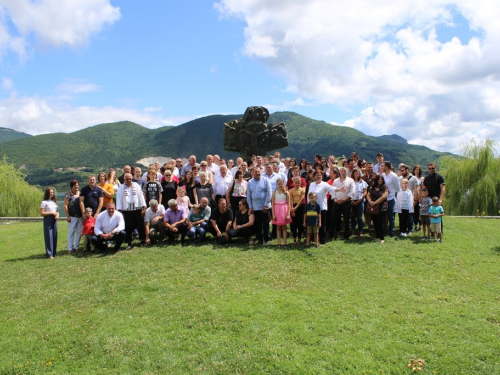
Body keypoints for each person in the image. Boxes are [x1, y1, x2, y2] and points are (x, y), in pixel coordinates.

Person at [116, 173, 147, 250]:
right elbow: (119, 199)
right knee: (128, 227)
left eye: (130, 179)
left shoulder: (136, 185)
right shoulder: (121, 188)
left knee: (140, 225)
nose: (129, 180)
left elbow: (140, 195)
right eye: (127, 179)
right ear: (124, 179)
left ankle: (142, 240)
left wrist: (143, 206)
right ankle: (129, 242)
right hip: (127, 210)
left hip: (137, 209)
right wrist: (119, 210)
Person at [308, 170, 337, 244]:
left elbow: (332, 189)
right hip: (312, 207)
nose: (318, 176)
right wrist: (308, 205)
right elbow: (308, 195)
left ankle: (322, 241)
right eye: (316, 175)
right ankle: (312, 239)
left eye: (320, 175)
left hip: (321, 207)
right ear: (314, 176)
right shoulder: (312, 184)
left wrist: (339, 189)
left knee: (321, 224)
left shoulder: (325, 184)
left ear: (322, 176)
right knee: (312, 223)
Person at [247, 166, 272, 244]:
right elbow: (248, 195)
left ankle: (267, 239)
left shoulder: (266, 180)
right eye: (256, 172)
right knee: (258, 224)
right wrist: (250, 206)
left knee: (265, 223)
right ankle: (260, 239)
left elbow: (269, 193)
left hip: (264, 207)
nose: (257, 173)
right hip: (255, 207)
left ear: (261, 172)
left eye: (259, 171)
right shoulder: (250, 182)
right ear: (253, 173)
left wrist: (266, 204)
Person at [331, 167, 355, 240]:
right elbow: (333, 190)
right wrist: (335, 199)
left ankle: (346, 236)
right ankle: (332, 235)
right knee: (333, 219)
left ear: (347, 171)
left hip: (347, 202)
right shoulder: (335, 181)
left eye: (344, 171)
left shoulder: (350, 180)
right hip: (337, 202)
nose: (343, 172)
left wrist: (345, 199)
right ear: (339, 172)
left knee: (347, 219)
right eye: (342, 171)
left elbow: (352, 192)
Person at [366, 175, 389, 243]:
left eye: (381, 179)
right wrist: (370, 202)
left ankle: (382, 238)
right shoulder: (372, 187)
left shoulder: (385, 187)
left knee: (380, 222)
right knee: (375, 221)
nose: (380, 180)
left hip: (382, 206)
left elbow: (384, 196)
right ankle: (377, 236)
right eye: (379, 179)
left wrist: (375, 202)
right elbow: (368, 195)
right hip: (373, 207)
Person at [271, 178, 292, 247]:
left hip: (284, 210)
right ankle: (279, 243)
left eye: (281, 183)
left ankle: (285, 243)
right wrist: (273, 214)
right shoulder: (274, 193)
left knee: (284, 227)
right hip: (277, 210)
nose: (280, 185)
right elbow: (273, 204)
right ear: (277, 184)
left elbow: (289, 204)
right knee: (278, 227)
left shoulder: (286, 193)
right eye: (279, 183)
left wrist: (288, 214)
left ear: (283, 183)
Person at [63, 179, 82, 254]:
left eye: (77, 185)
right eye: (75, 185)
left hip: (80, 216)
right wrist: (68, 216)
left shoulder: (80, 193)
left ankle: (76, 247)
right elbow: (65, 205)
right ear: (71, 187)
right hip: (72, 216)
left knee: (79, 232)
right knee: (71, 232)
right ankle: (69, 248)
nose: (77, 186)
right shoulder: (68, 195)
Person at [382, 161, 400, 237]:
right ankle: (384, 230)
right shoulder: (382, 175)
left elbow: (397, 188)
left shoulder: (394, 176)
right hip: (383, 198)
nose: (382, 167)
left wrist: (391, 193)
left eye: (383, 166)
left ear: (386, 167)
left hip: (390, 199)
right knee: (383, 216)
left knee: (391, 216)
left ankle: (391, 231)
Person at [40, 187, 59, 259]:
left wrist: (57, 214)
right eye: (51, 192)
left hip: (55, 219)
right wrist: (51, 213)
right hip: (48, 218)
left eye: (53, 192)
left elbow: (57, 210)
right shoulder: (44, 202)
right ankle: (49, 253)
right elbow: (41, 213)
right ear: (47, 193)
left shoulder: (54, 202)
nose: (52, 194)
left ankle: (54, 252)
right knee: (48, 235)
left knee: (54, 235)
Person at [351, 169, 367, 237]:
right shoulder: (350, 182)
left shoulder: (362, 182)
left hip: (360, 201)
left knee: (360, 217)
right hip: (352, 201)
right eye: (355, 174)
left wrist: (360, 199)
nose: (356, 175)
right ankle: (353, 230)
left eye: (357, 174)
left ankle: (361, 231)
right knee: (352, 216)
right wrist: (351, 200)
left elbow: (365, 192)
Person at [289, 176, 305, 245]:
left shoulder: (302, 190)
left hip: (300, 207)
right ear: (294, 183)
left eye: (298, 182)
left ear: (300, 183)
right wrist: (292, 209)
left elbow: (302, 199)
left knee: (299, 223)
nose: (297, 184)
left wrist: (295, 208)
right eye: (296, 182)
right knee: (294, 224)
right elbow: (291, 199)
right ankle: (294, 239)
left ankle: (299, 239)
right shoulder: (291, 190)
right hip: (293, 207)